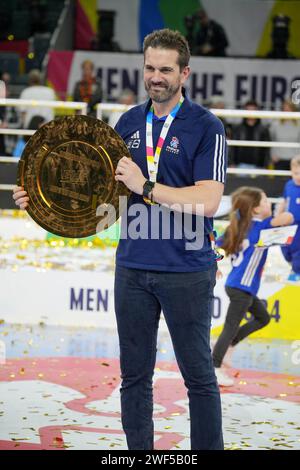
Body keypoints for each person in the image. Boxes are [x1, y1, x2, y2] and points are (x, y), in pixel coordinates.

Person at [13, 28, 227, 450]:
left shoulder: (206, 126)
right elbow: (98, 198)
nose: (156, 76)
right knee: (134, 377)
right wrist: (41, 200)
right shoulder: (127, 123)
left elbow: (208, 199)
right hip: (132, 268)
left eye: (166, 69)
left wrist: (146, 187)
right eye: (150, 67)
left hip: (186, 270)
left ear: (185, 73)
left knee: (199, 378)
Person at [213, 187, 293, 386]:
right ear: (255, 209)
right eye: (266, 201)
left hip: (239, 286)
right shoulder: (261, 227)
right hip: (242, 287)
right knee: (230, 327)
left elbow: (215, 244)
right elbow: (289, 217)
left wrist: (212, 262)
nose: (270, 204)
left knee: (263, 317)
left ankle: (227, 345)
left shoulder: (239, 226)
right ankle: (214, 366)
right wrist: (283, 207)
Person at [277, 155, 300, 281]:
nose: (298, 176)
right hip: (288, 224)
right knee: (285, 247)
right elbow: (284, 201)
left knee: (298, 250)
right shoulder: (289, 185)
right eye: (296, 173)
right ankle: (292, 265)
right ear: (291, 171)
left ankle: (296, 271)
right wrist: (278, 217)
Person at [231, 100, 271, 169]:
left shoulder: (264, 130)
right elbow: (233, 148)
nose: (251, 113)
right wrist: (232, 163)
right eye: (248, 110)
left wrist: (265, 165)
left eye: (253, 110)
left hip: (258, 166)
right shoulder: (238, 128)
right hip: (240, 165)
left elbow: (267, 149)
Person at [270, 99, 300, 170]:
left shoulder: (299, 124)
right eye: (285, 109)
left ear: (293, 110)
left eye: (289, 109)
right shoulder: (275, 124)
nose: (287, 111)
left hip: (295, 159)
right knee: (278, 181)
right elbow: (271, 140)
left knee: (295, 181)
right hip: (279, 159)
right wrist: (273, 155)